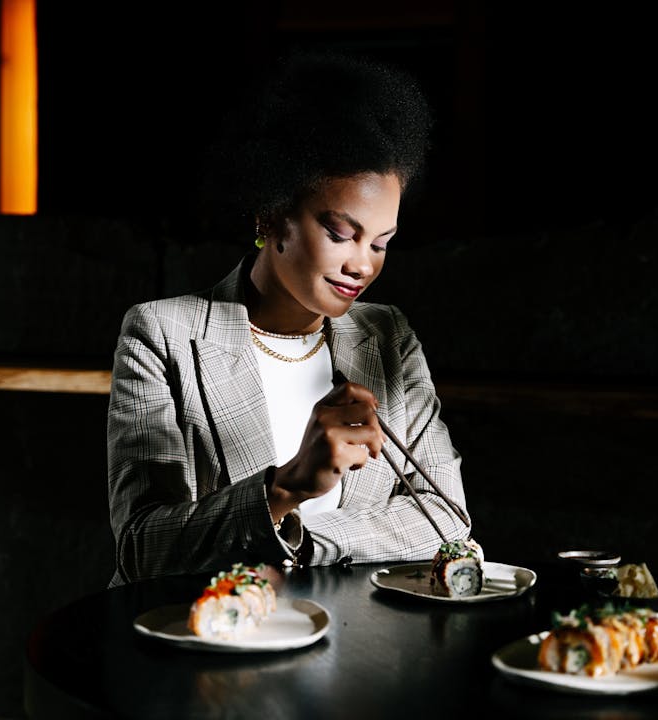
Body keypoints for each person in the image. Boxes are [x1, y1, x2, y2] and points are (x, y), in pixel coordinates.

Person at [105, 51, 471, 585]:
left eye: (382, 243)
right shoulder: (163, 334)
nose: (362, 264)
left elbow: (448, 524)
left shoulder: (388, 338)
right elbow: (142, 549)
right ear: (272, 214)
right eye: (341, 234)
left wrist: (300, 539)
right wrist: (285, 488)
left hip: (359, 648)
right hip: (209, 647)